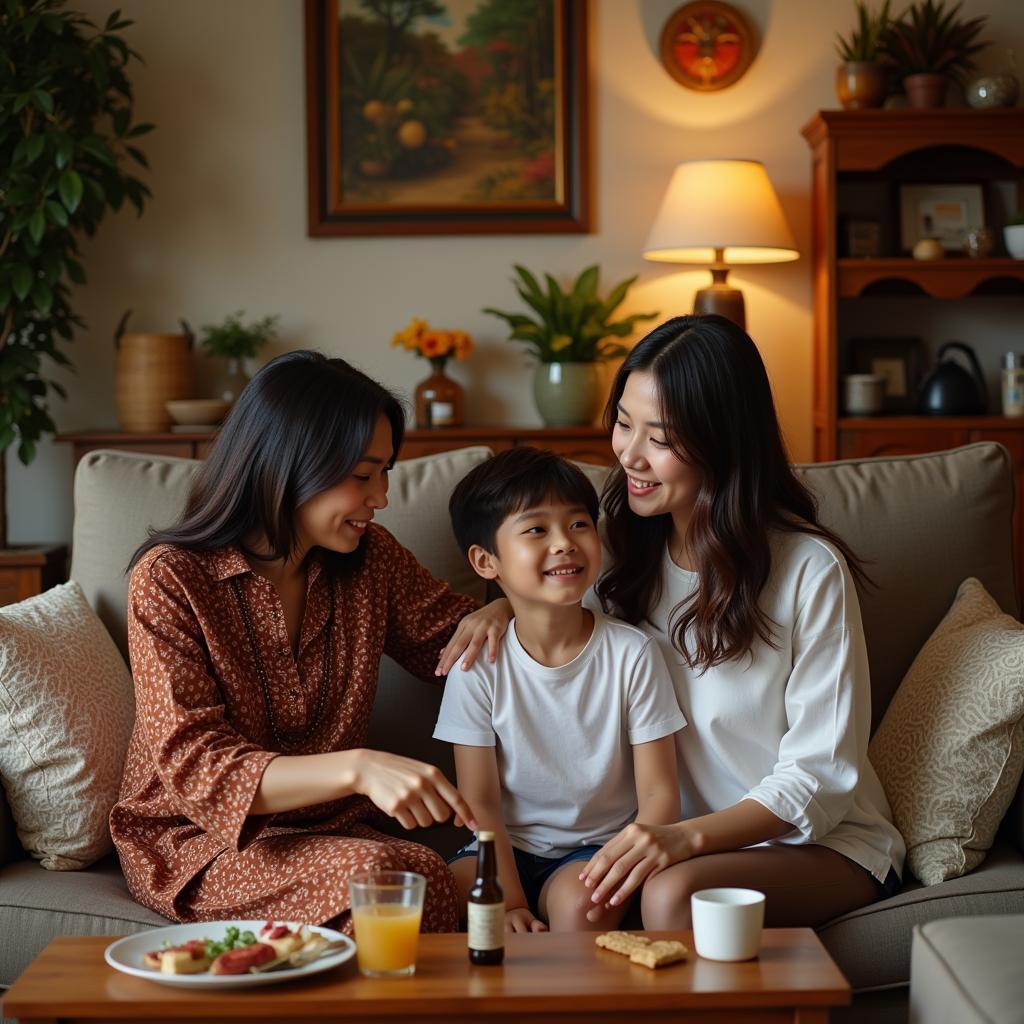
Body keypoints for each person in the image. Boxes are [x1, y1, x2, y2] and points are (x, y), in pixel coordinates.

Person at [112, 350, 510, 933]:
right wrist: (358, 769)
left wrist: (499, 606)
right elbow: (199, 769)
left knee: (418, 870)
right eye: (362, 476)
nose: (382, 497)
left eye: (387, 471)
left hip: (329, 833)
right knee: (383, 877)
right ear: (289, 464)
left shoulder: (371, 559)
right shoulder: (170, 579)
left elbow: (457, 648)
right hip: (195, 841)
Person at [572, 314, 906, 928]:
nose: (630, 455)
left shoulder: (809, 569)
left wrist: (686, 839)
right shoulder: (613, 552)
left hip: (818, 842)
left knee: (676, 897)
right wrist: (498, 611)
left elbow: (820, 775)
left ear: (722, 441)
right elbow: (555, 643)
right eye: (623, 424)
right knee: (587, 900)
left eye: (661, 438)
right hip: (673, 845)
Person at [433, 447, 685, 932]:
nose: (564, 543)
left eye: (578, 525)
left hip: (596, 848)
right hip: (501, 844)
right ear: (486, 561)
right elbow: (480, 800)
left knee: (581, 907)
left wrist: (627, 856)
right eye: (536, 530)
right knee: (448, 893)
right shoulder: (476, 664)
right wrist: (507, 903)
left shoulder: (632, 654)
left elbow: (659, 791)